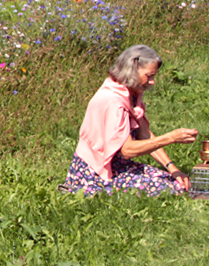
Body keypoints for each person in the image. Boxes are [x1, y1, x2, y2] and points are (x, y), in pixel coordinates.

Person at [63, 44, 198, 196]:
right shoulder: (114, 101)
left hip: (118, 165)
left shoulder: (131, 94)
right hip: (96, 172)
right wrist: (170, 138)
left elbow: (144, 134)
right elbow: (127, 150)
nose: (153, 81)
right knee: (172, 189)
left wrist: (173, 169)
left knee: (175, 181)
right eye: (149, 76)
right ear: (132, 70)